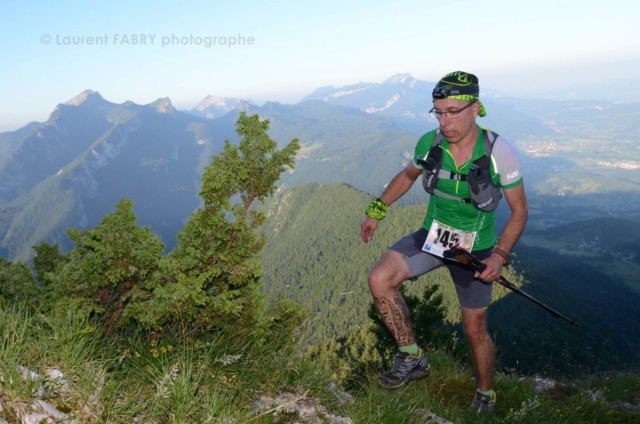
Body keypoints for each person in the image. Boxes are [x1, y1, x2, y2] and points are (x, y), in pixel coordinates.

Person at [360, 71, 528, 415]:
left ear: (476, 108)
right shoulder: (430, 143)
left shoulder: (499, 152)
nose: (445, 120)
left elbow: (520, 211)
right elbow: (408, 175)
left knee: (474, 328)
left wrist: (499, 256)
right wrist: (377, 209)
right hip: (432, 236)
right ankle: (412, 357)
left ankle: (485, 394)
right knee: (379, 279)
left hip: (475, 247)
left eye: (453, 111)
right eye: (439, 112)